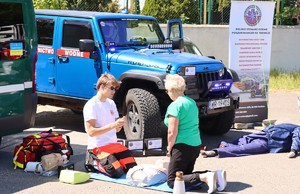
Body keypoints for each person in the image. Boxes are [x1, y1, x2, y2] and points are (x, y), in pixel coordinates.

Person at [164, 74, 227, 194]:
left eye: (167, 91)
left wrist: (169, 148)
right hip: (195, 144)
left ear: (172, 90)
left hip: (182, 145)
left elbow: (172, 131)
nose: (167, 93)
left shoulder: (175, 106)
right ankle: (214, 175)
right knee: (186, 175)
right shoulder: (191, 102)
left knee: (173, 181)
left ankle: (205, 177)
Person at [83, 73, 137, 175]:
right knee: (116, 172)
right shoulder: (91, 105)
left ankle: (112, 159)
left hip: (112, 145)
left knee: (132, 168)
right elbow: (91, 132)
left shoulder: (111, 103)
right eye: (112, 88)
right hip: (97, 147)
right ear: (102, 87)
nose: (114, 91)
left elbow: (117, 129)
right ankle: (91, 161)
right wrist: (113, 125)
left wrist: (120, 124)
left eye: (115, 89)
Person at [201, 123, 300, 159]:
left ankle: (216, 151)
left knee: (243, 147)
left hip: (267, 140)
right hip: (267, 137)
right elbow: (296, 135)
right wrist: (294, 150)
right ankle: (222, 146)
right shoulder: (298, 128)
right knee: (242, 144)